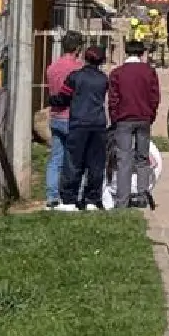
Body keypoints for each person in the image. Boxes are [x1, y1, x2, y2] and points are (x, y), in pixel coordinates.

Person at [108, 40, 162, 208]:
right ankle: (142, 196)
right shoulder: (149, 72)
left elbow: (113, 99)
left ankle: (122, 200)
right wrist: (150, 115)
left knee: (124, 159)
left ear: (126, 52)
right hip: (144, 119)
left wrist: (114, 118)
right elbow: (155, 97)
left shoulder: (117, 73)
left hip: (124, 120)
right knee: (142, 159)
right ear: (142, 53)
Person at [59, 44, 111, 211]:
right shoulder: (103, 79)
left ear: (85, 58)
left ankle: (69, 199)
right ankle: (92, 199)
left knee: (74, 161)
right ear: (102, 60)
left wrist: (53, 101)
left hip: (78, 123)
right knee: (96, 163)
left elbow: (63, 97)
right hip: (97, 124)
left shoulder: (75, 77)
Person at [43, 31, 85, 208]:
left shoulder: (52, 67)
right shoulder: (79, 68)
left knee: (56, 159)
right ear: (77, 49)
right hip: (73, 117)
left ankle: (52, 196)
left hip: (56, 116)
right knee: (76, 159)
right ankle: (75, 193)